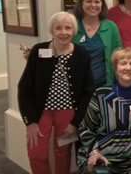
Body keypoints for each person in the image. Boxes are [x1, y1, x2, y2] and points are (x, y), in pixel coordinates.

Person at [18, 12, 94, 174]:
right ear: (52, 30)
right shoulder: (39, 50)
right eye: (58, 28)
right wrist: (29, 121)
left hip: (67, 113)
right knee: (36, 154)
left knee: (63, 154)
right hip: (41, 112)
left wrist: (75, 122)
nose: (63, 32)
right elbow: (24, 88)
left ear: (74, 31)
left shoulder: (81, 54)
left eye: (68, 28)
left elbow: (88, 91)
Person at [72, 0, 122, 87]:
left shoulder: (111, 27)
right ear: (81, 4)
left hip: (104, 85)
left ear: (102, 4)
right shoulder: (72, 25)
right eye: (89, 1)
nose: (93, 5)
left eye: (97, 2)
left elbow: (119, 55)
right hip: (77, 85)